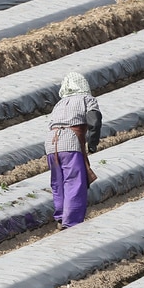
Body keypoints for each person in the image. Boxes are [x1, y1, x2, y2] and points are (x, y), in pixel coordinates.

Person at [45, 71, 102, 229]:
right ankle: (71, 222)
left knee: (58, 180)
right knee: (74, 180)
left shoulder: (59, 104)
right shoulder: (86, 99)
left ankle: (61, 216)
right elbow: (94, 121)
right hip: (70, 140)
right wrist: (92, 143)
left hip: (51, 141)